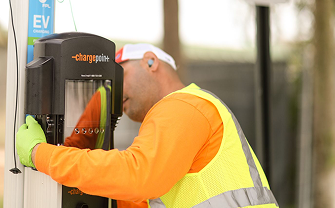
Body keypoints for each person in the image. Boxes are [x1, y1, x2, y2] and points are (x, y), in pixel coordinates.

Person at [17, 43, 279, 208]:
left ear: (150, 62)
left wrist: (40, 153)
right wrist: (103, 97)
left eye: (120, 75)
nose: (115, 90)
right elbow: (132, 193)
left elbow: (136, 175)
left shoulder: (185, 106)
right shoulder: (172, 124)